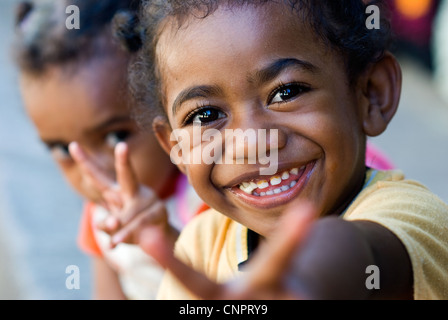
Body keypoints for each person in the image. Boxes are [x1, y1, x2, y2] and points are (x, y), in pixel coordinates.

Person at [101, 0, 447, 300]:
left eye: (287, 92)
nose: (251, 142)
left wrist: (302, 282)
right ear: (174, 146)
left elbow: (357, 250)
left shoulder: (412, 218)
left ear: (371, 94)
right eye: (205, 115)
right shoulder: (200, 247)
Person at [13, 0, 205, 300]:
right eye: (63, 149)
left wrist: (164, 240)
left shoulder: (209, 197)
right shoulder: (102, 217)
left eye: (116, 137)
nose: (93, 173)